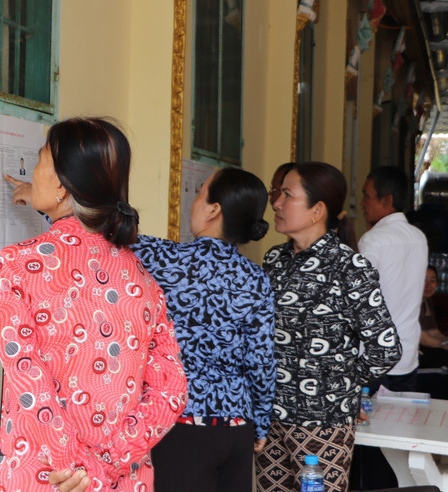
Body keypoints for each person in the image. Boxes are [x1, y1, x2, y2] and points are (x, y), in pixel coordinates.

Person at [0, 117, 188, 492]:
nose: (33, 174)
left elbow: (30, 380)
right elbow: (171, 390)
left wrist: (78, 471)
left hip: (48, 478)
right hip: (124, 482)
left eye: (39, 161)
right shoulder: (143, 280)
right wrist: (106, 467)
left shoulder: (15, 265)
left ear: (62, 185)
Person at [256, 161, 401, 492]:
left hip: (323, 424)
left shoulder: (349, 267)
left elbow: (385, 348)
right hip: (271, 418)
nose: (276, 203)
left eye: (287, 195)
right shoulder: (275, 260)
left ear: (317, 210)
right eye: (278, 194)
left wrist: (338, 384)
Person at [134, 168, 276, 492]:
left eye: (200, 193)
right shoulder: (256, 278)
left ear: (213, 210)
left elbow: (94, 236)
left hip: (182, 425)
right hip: (237, 428)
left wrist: (46, 205)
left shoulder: (164, 259)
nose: (194, 201)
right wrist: (261, 424)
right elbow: (261, 361)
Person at [359, 166, 428, 392]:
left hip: (375, 357)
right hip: (407, 354)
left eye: (367, 196)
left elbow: (360, 299)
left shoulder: (372, 240)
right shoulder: (419, 237)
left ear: (387, 200)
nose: (362, 203)